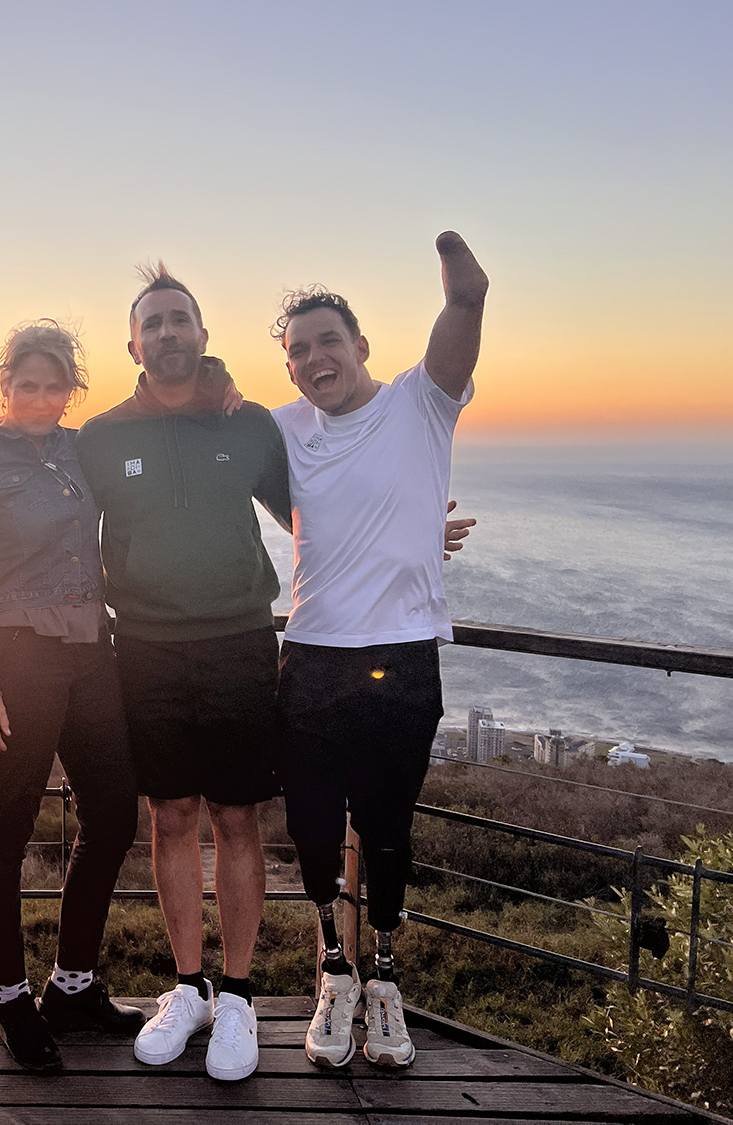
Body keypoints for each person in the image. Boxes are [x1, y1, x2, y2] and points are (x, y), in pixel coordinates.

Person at [270, 232, 488, 1071]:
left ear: (361, 346)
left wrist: (465, 295)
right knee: (316, 830)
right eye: (299, 350)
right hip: (313, 659)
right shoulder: (283, 429)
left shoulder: (419, 401)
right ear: (289, 369)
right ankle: (335, 970)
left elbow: (455, 331)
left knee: (389, 831)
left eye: (330, 340)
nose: (316, 357)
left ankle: (387, 978)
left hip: (400, 660)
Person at [74, 267, 292, 1082]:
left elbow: (313, 512)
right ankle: (189, 988)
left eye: (180, 321)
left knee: (237, 819)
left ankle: (237, 995)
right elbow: (50, 512)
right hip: (148, 647)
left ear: (203, 335)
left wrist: (411, 527)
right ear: (134, 344)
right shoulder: (101, 436)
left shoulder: (250, 422)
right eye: (153, 324)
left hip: (239, 640)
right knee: (170, 816)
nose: (167, 334)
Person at [0, 321, 144, 1074]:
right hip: (17, 660)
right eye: (28, 383)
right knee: (8, 829)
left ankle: (73, 982)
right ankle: (9, 992)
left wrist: (219, 387)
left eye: (56, 385)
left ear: (70, 391)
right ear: (5, 385)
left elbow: (143, 431)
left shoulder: (76, 448)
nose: (42, 396)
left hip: (92, 652)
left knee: (115, 815)